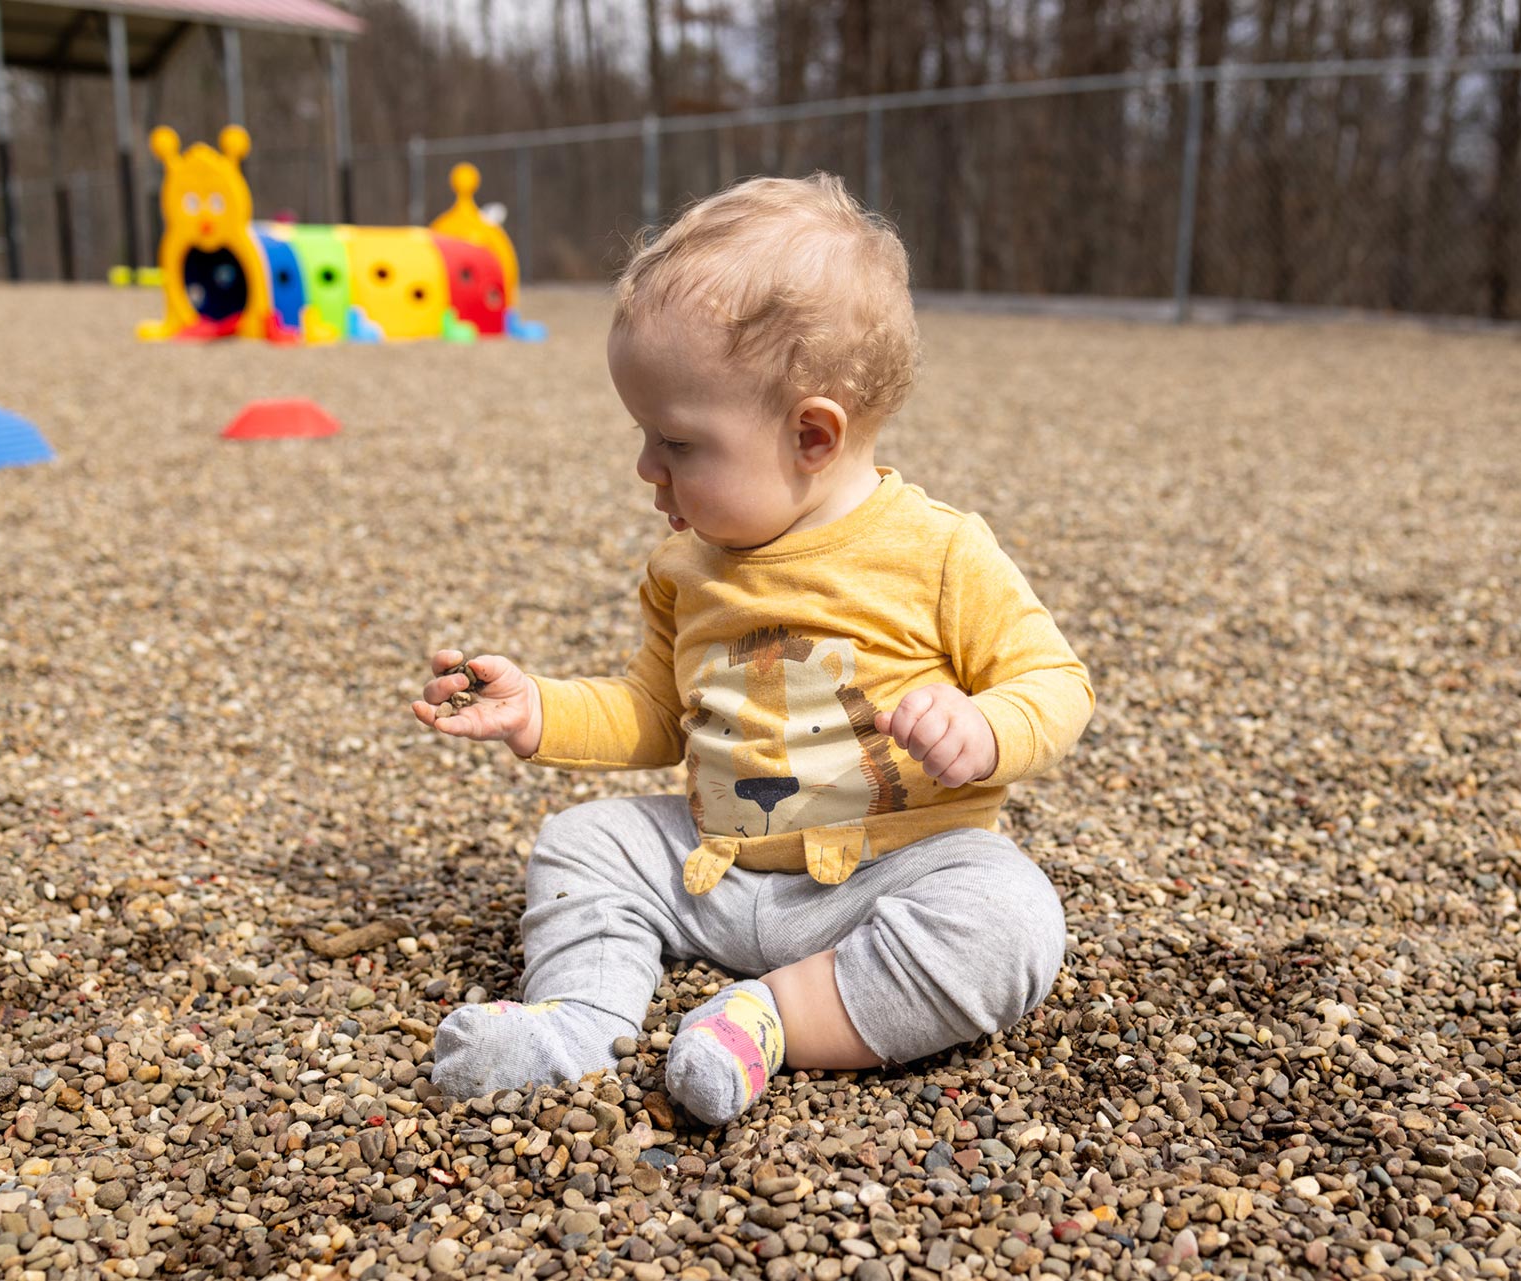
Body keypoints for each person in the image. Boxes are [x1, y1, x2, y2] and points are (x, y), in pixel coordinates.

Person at [411, 172, 1094, 1124]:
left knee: (1012, 918)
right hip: (714, 868)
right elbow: (657, 714)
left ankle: (772, 1016)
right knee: (583, 840)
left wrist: (985, 726)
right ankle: (580, 1016)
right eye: (644, 435)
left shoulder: (940, 551)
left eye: (677, 442)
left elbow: (1055, 681)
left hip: (887, 879)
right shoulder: (685, 568)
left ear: (812, 434)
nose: (646, 467)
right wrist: (541, 710)